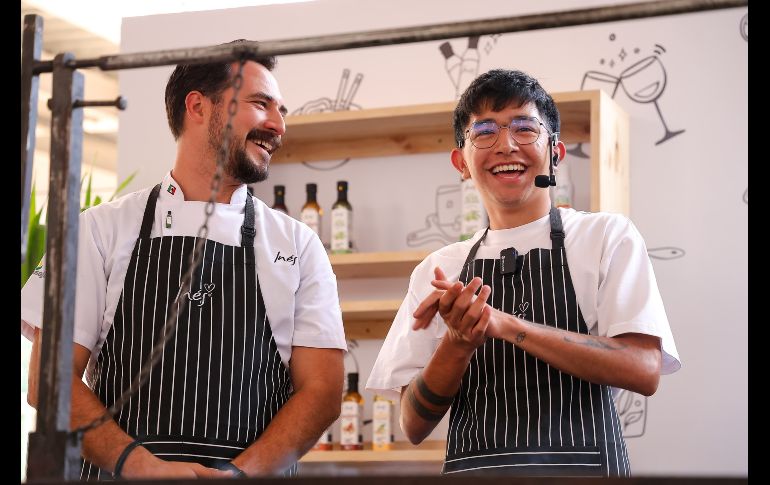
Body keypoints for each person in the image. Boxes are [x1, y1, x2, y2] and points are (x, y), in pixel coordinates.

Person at [21, 40, 346, 480]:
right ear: (198, 106)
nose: (278, 125)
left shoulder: (300, 245)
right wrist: (138, 466)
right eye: (260, 103)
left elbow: (323, 391)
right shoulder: (98, 230)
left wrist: (239, 474)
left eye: (281, 110)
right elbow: (50, 380)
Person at [366, 69, 680, 476]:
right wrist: (458, 343)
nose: (506, 145)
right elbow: (412, 424)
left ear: (555, 152)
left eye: (525, 128)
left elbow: (643, 369)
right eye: (484, 132)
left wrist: (507, 326)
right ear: (461, 162)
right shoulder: (438, 269)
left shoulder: (605, 237)